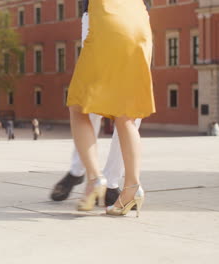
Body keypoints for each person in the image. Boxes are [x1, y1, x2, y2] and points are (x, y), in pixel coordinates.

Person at [65, 0, 154, 217]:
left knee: (78, 106)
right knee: (126, 114)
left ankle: (95, 180)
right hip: (139, 20)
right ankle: (132, 188)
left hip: (107, 18)